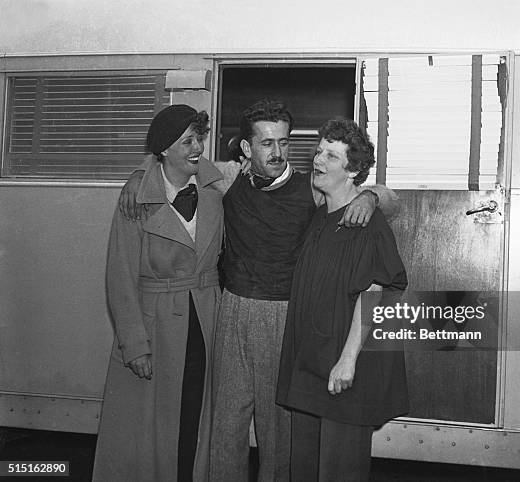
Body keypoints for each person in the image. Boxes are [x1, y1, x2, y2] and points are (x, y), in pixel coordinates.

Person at [119, 99, 400, 482]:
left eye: (284, 142)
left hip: (283, 317)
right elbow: (173, 159)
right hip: (231, 309)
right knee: (226, 424)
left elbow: (387, 197)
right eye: (267, 143)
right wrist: (141, 173)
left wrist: (371, 197)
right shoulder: (228, 177)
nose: (278, 152)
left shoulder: (312, 188)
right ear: (247, 149)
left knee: (277, 430)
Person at [93, 105, 224, 482]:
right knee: (150, 427)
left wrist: (372, 196)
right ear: (164, 149)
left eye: (199, 137)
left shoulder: (218, 187)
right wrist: (134, 344)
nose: (198, 147)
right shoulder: (136, 199)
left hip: (206, 318)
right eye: (187, 141)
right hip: (155, 326)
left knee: (195, 416)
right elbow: (119, 276)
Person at [276, 119, 409, 482]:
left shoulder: (368, 224)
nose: (319, 159)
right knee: (304, 465)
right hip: (312, 361)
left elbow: (374, 295)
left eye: (331, 156)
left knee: (338, 468)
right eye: (319, 151)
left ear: (352, 171)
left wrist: (347, 361)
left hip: (341, 366)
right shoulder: (323, 214)